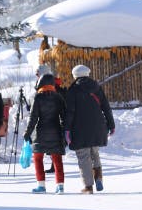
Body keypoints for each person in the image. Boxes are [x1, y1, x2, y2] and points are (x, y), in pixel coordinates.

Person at [65, 64, 115, 194]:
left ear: (75, 76)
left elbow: (70, 112)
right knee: (94, 152)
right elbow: (106, 107)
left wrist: (67, 129)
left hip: (79, 128)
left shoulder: (73, 90)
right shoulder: (97, 88)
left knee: (83, 156)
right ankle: (98, 177)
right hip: (97, 126)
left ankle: (88, 186)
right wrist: (111, 124)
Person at [23, 74, 66, 193]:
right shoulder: (59, 98)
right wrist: (64, 132)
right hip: (56, 132)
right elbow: (64, 118)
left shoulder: (38, 97)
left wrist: (27, 133)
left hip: (40, 132)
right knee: (57, 160)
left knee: (38, 158)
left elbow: (33, 118)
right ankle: (60, 186)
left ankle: (41, 185)